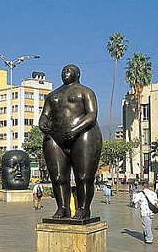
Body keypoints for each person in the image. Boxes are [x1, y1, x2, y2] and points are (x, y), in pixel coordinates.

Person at [39, 64, 103, 220]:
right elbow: (45, 114)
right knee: (58, 177)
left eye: (69, 70)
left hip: (83, 135)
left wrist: (76, 129)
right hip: (55, 137)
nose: (65, 72)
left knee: (83, 177)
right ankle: (62, 207)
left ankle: (83, 208)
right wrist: (42, 123)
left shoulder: (85, 92)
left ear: (77, 74)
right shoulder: (53, 95)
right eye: (63, 70)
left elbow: (92, 115)